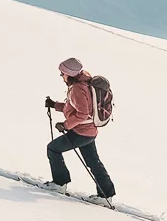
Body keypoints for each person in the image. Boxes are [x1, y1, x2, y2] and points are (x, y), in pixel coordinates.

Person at [43, 58, 115, 204]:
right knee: (94, 162)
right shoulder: (84, 82)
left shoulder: (77, 88)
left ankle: (59, 184)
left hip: (81, 132)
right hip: (89, 132)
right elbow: (74, 107)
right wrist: (55, 105)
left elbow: (82, 113)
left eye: (62, 73)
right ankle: (106, 195)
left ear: (69, 73)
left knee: (53, 149)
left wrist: (65, 125)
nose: (61, 76)